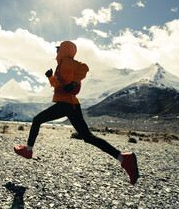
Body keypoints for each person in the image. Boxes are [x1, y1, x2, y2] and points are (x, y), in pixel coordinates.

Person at [14, 41, 139, 185]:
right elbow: (59, 85)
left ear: (64, 50)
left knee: (37, 120)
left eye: (58, 49)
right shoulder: (61, 66)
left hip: (66, 104)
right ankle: (124, 158)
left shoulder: (66, 62)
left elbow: (84, 68)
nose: (56, 52)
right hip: (71, 105)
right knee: (88, 137)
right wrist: (50, 77)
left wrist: (74, 83)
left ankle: (28, 150)